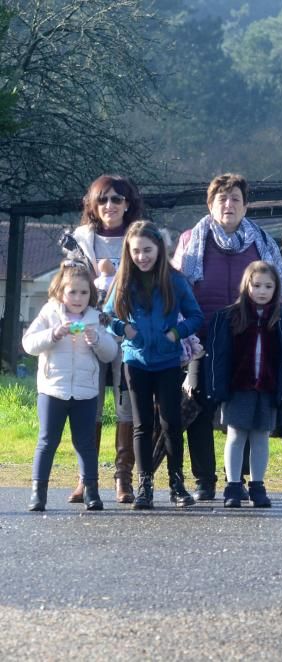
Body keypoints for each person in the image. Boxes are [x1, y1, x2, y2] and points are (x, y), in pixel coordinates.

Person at [173, 173, 282, 501]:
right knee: (198, 406)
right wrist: (186, 337)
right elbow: (176, 289)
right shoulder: (190, 239)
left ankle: (237, 481)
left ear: (246, 205)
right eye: (222, 199)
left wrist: (264, 321)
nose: (229, 204)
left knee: (242, 418)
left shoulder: (263, 243)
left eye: (235, 199)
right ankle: (204, 479)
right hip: (199, 340)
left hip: (247, 344)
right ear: (210, 205)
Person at [105, 221, 204, 510]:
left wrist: (176, 333)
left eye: (147, 250)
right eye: (136, 251)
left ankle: (176, 485)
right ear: (129, 252)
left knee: (171, 423)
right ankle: (144, 486)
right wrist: (124, 329)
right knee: (142, 424)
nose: (142, 256)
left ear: (159, 249)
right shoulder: (123, 280)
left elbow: (196, 316)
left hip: (167, 361)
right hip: (135, 361)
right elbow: (106, 317)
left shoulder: (174, 280)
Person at [202, 261, 282, 508]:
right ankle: (233, 486)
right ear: (246, 285)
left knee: (261, 437)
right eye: (256, 285)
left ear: (276, 289)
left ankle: (257, 486)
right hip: (238, 389)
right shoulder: (228, 317)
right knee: (236, 436)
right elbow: (216, 355)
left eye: (268, 286)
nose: (262, 291)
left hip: (268, 390)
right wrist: (217, 388)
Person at [69, 174, 143, 503]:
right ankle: (87, 479)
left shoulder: (141, 237)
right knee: (90, 407)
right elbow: (67, 287)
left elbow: (153, 283)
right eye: (103, 200)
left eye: (117, 199)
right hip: (89, 334)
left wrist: (114, 278)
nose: (110, 206)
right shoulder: (77, 241)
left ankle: (123, 478)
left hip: (127, 335)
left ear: (128, 204)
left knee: (126, 407)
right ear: (93, 205)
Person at [22, 261, 118, 512]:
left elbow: (110, 353)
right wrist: (53, 334)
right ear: (60, 292)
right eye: (72, 292)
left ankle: (92, 492)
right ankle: (38, 493)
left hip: (86, 392)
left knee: (85, 442)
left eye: (84, 292)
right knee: (47, 440)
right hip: (53, 390)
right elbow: (29, 344)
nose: (77, 298)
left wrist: (96, 340)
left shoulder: (96, 319)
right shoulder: (49, 313)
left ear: (91, 294)